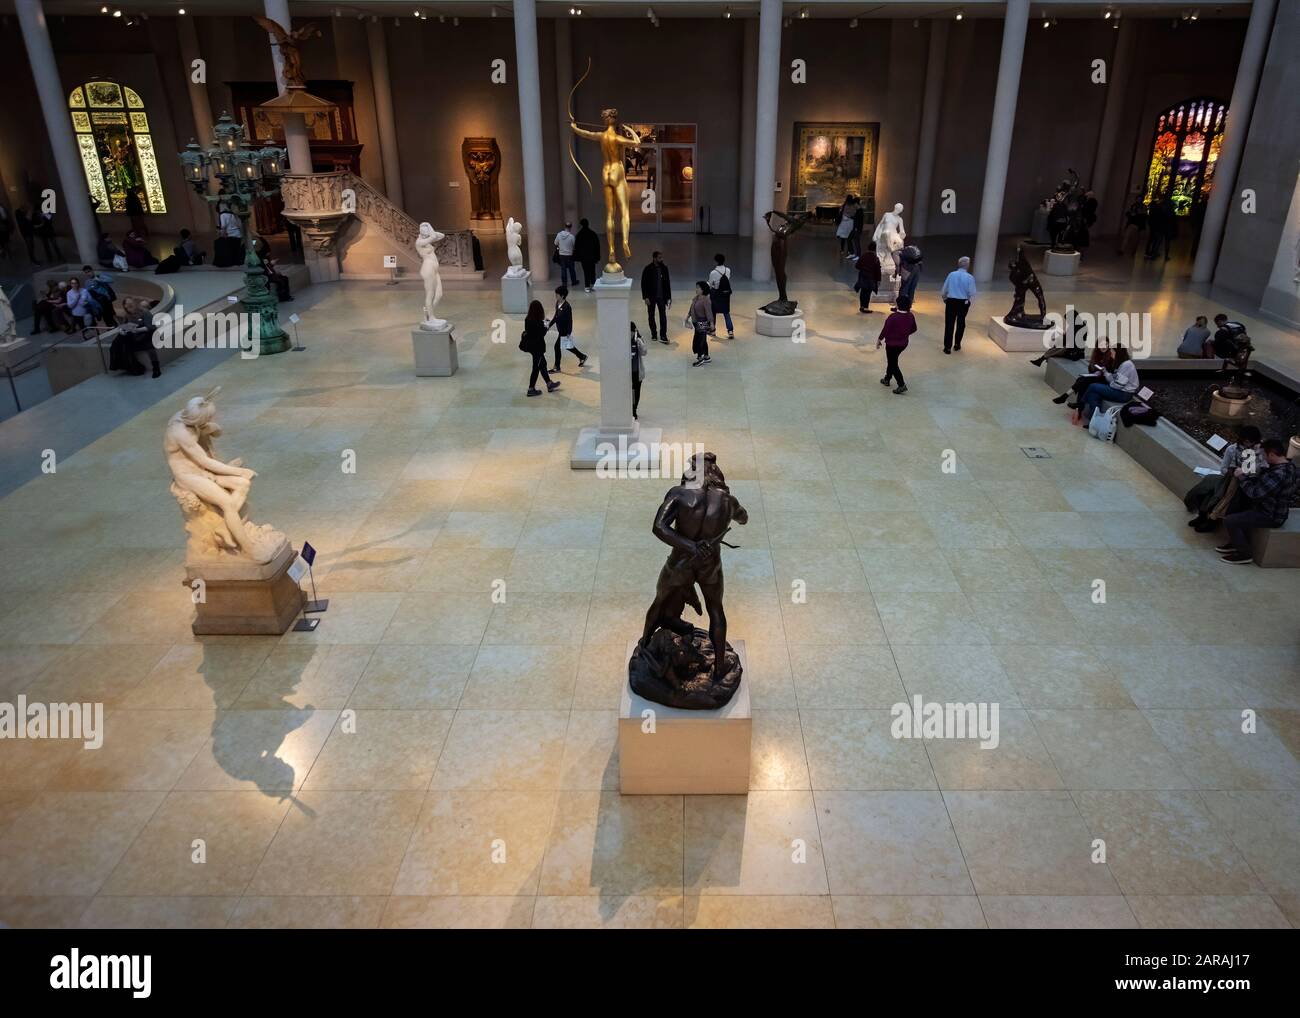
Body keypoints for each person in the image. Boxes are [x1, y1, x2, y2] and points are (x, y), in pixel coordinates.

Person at [1217, 439, 1299, 564]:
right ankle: (1236, 543)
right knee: (1238, 510)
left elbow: (1255, 494)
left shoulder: (1279, 474)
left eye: (1264, 455)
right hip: (1269, 508)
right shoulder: (1288, 466)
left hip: (1270, 515)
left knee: (1231, 520)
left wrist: (1242, 477)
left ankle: (1244, 554)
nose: (1263, 458)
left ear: (1271, 454)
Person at [1184, 424, 1262, 532]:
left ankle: (1212, 521)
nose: (1248, 444)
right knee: (1207, 486)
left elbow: (1257, 471)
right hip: (1229, 477)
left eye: (1251, 442)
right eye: (1246, 441)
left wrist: (1243, 473)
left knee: (1220, 495)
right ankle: (1201, 516)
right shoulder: (1232, 449)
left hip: (1244, 484)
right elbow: (1223, 468)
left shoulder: (1260, 451)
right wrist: (1231, 472)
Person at [1076, 345, 1139, 424]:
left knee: (1093, 386)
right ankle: (1093, 421)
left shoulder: (1127, 365)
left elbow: (1118, 385)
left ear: (1118, 353)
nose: (1111, 355)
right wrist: (1105, 372)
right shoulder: (1121, 364)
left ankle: (1080, 404)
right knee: (1094, 394)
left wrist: (1110, 384)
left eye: (1112, 353)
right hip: (1120, 390)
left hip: (1124, 394)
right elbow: (1114, 380)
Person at [109, 296, 163, 378]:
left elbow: (151, 327)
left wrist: (138, 330)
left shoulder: (144, 312)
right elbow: (123, 325)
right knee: (119, 341)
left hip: (146, 334)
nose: (130, 309)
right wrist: (122, 330)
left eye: (131, 305)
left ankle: (156, 368)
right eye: (127, 307)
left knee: (149, 347)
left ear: (134, 304)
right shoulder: (127, 315)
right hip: (134, 336)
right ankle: (130, 365)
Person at [876, 294, 916, 395]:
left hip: (891, 344)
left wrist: (879, 339)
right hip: (903, 344)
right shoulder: (910, 316)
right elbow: (914, 328)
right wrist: (905, 334)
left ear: (898, 305)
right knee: (892, 360)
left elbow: (885, 330)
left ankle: (901, 384)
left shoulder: (893, 317)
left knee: (893, 364)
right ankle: (887, 378)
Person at [520, 299, 560, 397]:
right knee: (536, 367)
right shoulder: (537, 322)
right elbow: (541, 334)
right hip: (537, 348)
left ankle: (549, 383)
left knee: (542, 365)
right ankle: (531, 388)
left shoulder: (528, 319)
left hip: (532, 347)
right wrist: (546, 326)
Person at [1052, 341, 1111, 405]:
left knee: (1082, 381)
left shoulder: (1110, 356)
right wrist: (1095, 371)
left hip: (1105, 380)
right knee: (1082, 381)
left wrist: (1102, 372)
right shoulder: (1096, 354)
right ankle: (1077, 404)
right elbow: (1090, 368)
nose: (1104, 347)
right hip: (1095, 377)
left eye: (1106, 344)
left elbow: (1111, 371)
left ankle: (1066, 397)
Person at [940, 255, 976, 353]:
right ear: (967, 265)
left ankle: (947, 347)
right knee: (961, 323)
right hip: (963, 303)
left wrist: (945, 299)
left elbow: (944, 290)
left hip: (951, 301)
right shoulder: (970, 277)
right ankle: (957, 344)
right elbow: (972, 292)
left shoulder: (951, 275)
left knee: (949, 324)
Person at [548, 285, 586, 371]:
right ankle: (582, 356)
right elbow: (556, 316)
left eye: (557, 295)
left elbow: (570, 320)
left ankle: (557, 367)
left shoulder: (567, 307)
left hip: (564, 331)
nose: (555, 296)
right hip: (560, 329)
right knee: (567, 346)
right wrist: (549, 325)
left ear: (562, 296)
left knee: (557, 347)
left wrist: (569, 332)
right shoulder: (557, 303)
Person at [640, 251, 672, 344]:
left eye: (661, 257)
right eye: (659, 258)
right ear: (654, 258)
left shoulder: (664, 269)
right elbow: (643, 284)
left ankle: (663, 335)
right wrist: (645, 297)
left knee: (663, 316)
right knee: (651, 315)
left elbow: (667, 284)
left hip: (662, 297)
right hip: (651, 297)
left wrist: (669, 298)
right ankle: (654, 333)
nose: (661, 259)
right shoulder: (648, 269)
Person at [253, 237, 292, 301]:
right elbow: (264, 267)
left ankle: (285, 296)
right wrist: (271, 264)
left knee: (284, 278)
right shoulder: (258, 257)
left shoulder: (263, 257)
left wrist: (271, 264)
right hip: (265, 276)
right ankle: (283, 297)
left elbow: (267, 266)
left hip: (268, 274)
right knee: (280, 280)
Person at [707, 253, 735, 339]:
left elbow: (710, 284)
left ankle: (712, 331)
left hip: (716, 294)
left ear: (716, 261)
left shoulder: (713, 272)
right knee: (726, 312)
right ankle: (730, 331)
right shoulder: (728, 270)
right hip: (725, 294)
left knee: (713, 312)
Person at [689, 281, 714, 366]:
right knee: (700, 339)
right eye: (696, 287)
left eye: (698, 288)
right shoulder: (696, 298)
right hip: (696, 322)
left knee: (700, 340)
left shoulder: (706, 300)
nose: (696, 289)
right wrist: (687, 317)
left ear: (703, 289)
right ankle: (706, 356)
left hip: (702, 322)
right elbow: (691, 308)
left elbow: (709, 312)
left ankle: (700, 358)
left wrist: (711, 323)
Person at [1145, 196, 1176, 261]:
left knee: (1158, 241)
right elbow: (1173, 221)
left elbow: (1158, 218)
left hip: (1160, 227)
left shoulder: (1160, 209)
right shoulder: (1171, 211)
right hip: (1168, 228)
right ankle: (1166, 256)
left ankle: (1153, 255)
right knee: (1167, 242)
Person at [574, 218, 600, 292]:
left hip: (584, 257)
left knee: (586, 271)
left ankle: (587, 286)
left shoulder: (579, 235)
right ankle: (593, 284)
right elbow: (597, 246)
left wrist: (578, 257)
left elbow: (577, 247)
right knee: (592, 270)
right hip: (592, 257)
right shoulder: (593, 233)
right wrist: (597, 257)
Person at [853, 245, 882, 313]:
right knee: (868, 293)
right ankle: (866, 307)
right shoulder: (875, 258)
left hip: (863, 277)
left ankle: (861, 306)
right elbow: (878, 270)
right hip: (871, 278)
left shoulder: (863, 256)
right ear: (875, 249)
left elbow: (857, 266)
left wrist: (863, 269)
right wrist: (879, 280)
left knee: (863, 292)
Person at [631, 322, 647, 420]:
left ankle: (634, 409)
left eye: (631, 332)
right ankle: (629, 409)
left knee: (636, 392)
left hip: (637, 371)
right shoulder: (623, 341)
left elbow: (644, 352)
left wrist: (639, 342)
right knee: (628, 392)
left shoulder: (638, 341)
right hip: (627, 373)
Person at [553, 221, 578, 288]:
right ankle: (574, 281)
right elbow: (574, 246)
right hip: (570, 255)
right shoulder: (572, 237)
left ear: (565, 226)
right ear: (571, 227)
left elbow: (555, 243)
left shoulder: (559, 234)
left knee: (563, 269)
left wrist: (558, 249)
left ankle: (564, 283)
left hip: (561, 255)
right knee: (572, 269)